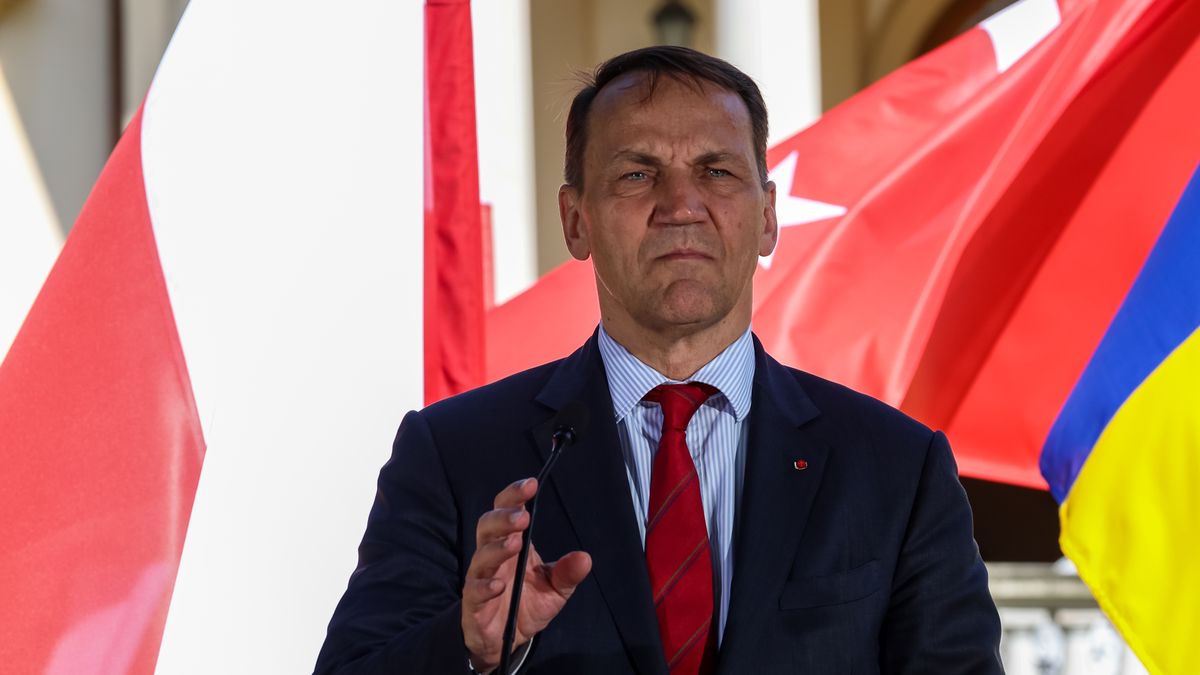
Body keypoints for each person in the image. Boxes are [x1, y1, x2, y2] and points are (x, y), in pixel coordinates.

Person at [314, 46, 1002, 674]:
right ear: (575, 220)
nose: (681, 205)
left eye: (717, 170)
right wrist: (468, 646)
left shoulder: (896, 469)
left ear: (766, 215)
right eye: (638, 174)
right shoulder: (452, 454)